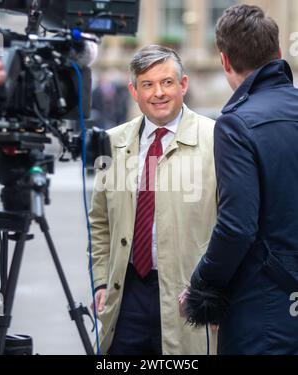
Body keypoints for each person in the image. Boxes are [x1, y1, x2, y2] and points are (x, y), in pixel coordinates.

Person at [182, 4, 298, 355]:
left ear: (225, 61)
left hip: (263, 303)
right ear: (277, 53)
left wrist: (202, 284)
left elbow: (237, 226)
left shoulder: (236, 122)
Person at [89, 45, 217, 355]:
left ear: (183, 85)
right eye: (147, 84)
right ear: (134, 91)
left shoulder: (216, 139)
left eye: (167, 82)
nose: (158, 93)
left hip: (188, 294)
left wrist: (219, 290)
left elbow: (234, 222)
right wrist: (102, 281)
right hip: (128, 291)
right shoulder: (112, 142)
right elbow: (100, 220)